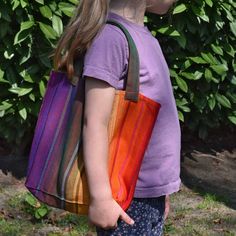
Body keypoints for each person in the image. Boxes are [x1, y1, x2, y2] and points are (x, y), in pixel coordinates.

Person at [54, 0, 180, 235]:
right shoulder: (111, 38)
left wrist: (160, 190)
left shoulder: (144, 37)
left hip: (147, 193)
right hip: (125, 196)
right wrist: (101, 197)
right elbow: (95, 123)